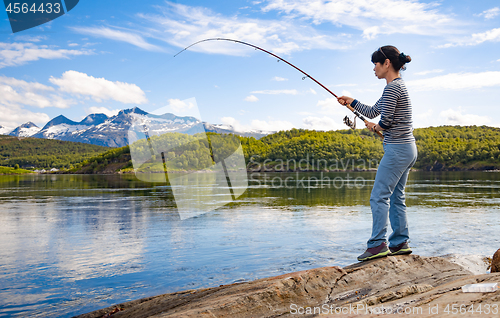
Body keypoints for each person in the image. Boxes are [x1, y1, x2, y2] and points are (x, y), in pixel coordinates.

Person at [337, 45, 418, 262]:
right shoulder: (395, 86)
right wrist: (351, 102)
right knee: (396, 196)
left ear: (387, 63)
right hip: (406, 148)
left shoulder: (393, 88)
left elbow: (386, 121)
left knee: (379, 196)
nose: (374, 68)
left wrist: (376, 127)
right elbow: (373, 112)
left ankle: (377, 245)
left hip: (398, 149)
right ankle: (400, 242)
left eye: (375, 63)